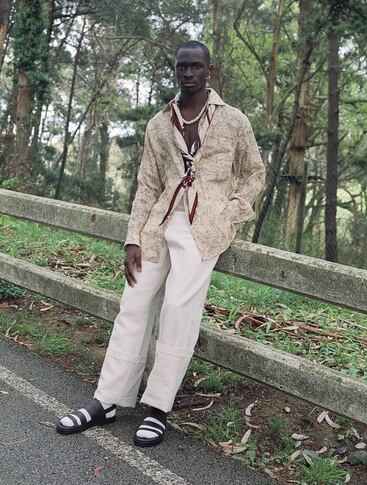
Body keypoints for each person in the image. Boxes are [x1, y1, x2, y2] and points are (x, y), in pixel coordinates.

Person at [56, 40, 265, 447]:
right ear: (175, 71)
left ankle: (158, 408)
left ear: (210, 70)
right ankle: (108, 400)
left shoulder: (233, 120)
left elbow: (254, 173)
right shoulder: (158, 124)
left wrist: (231, 212)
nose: (188, 73)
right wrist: (133, 236)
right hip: (157, 226)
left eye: (196, 67)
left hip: (204, 229)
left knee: (177, 310)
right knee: (132, 306)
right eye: (181, 67)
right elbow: (147, 185)